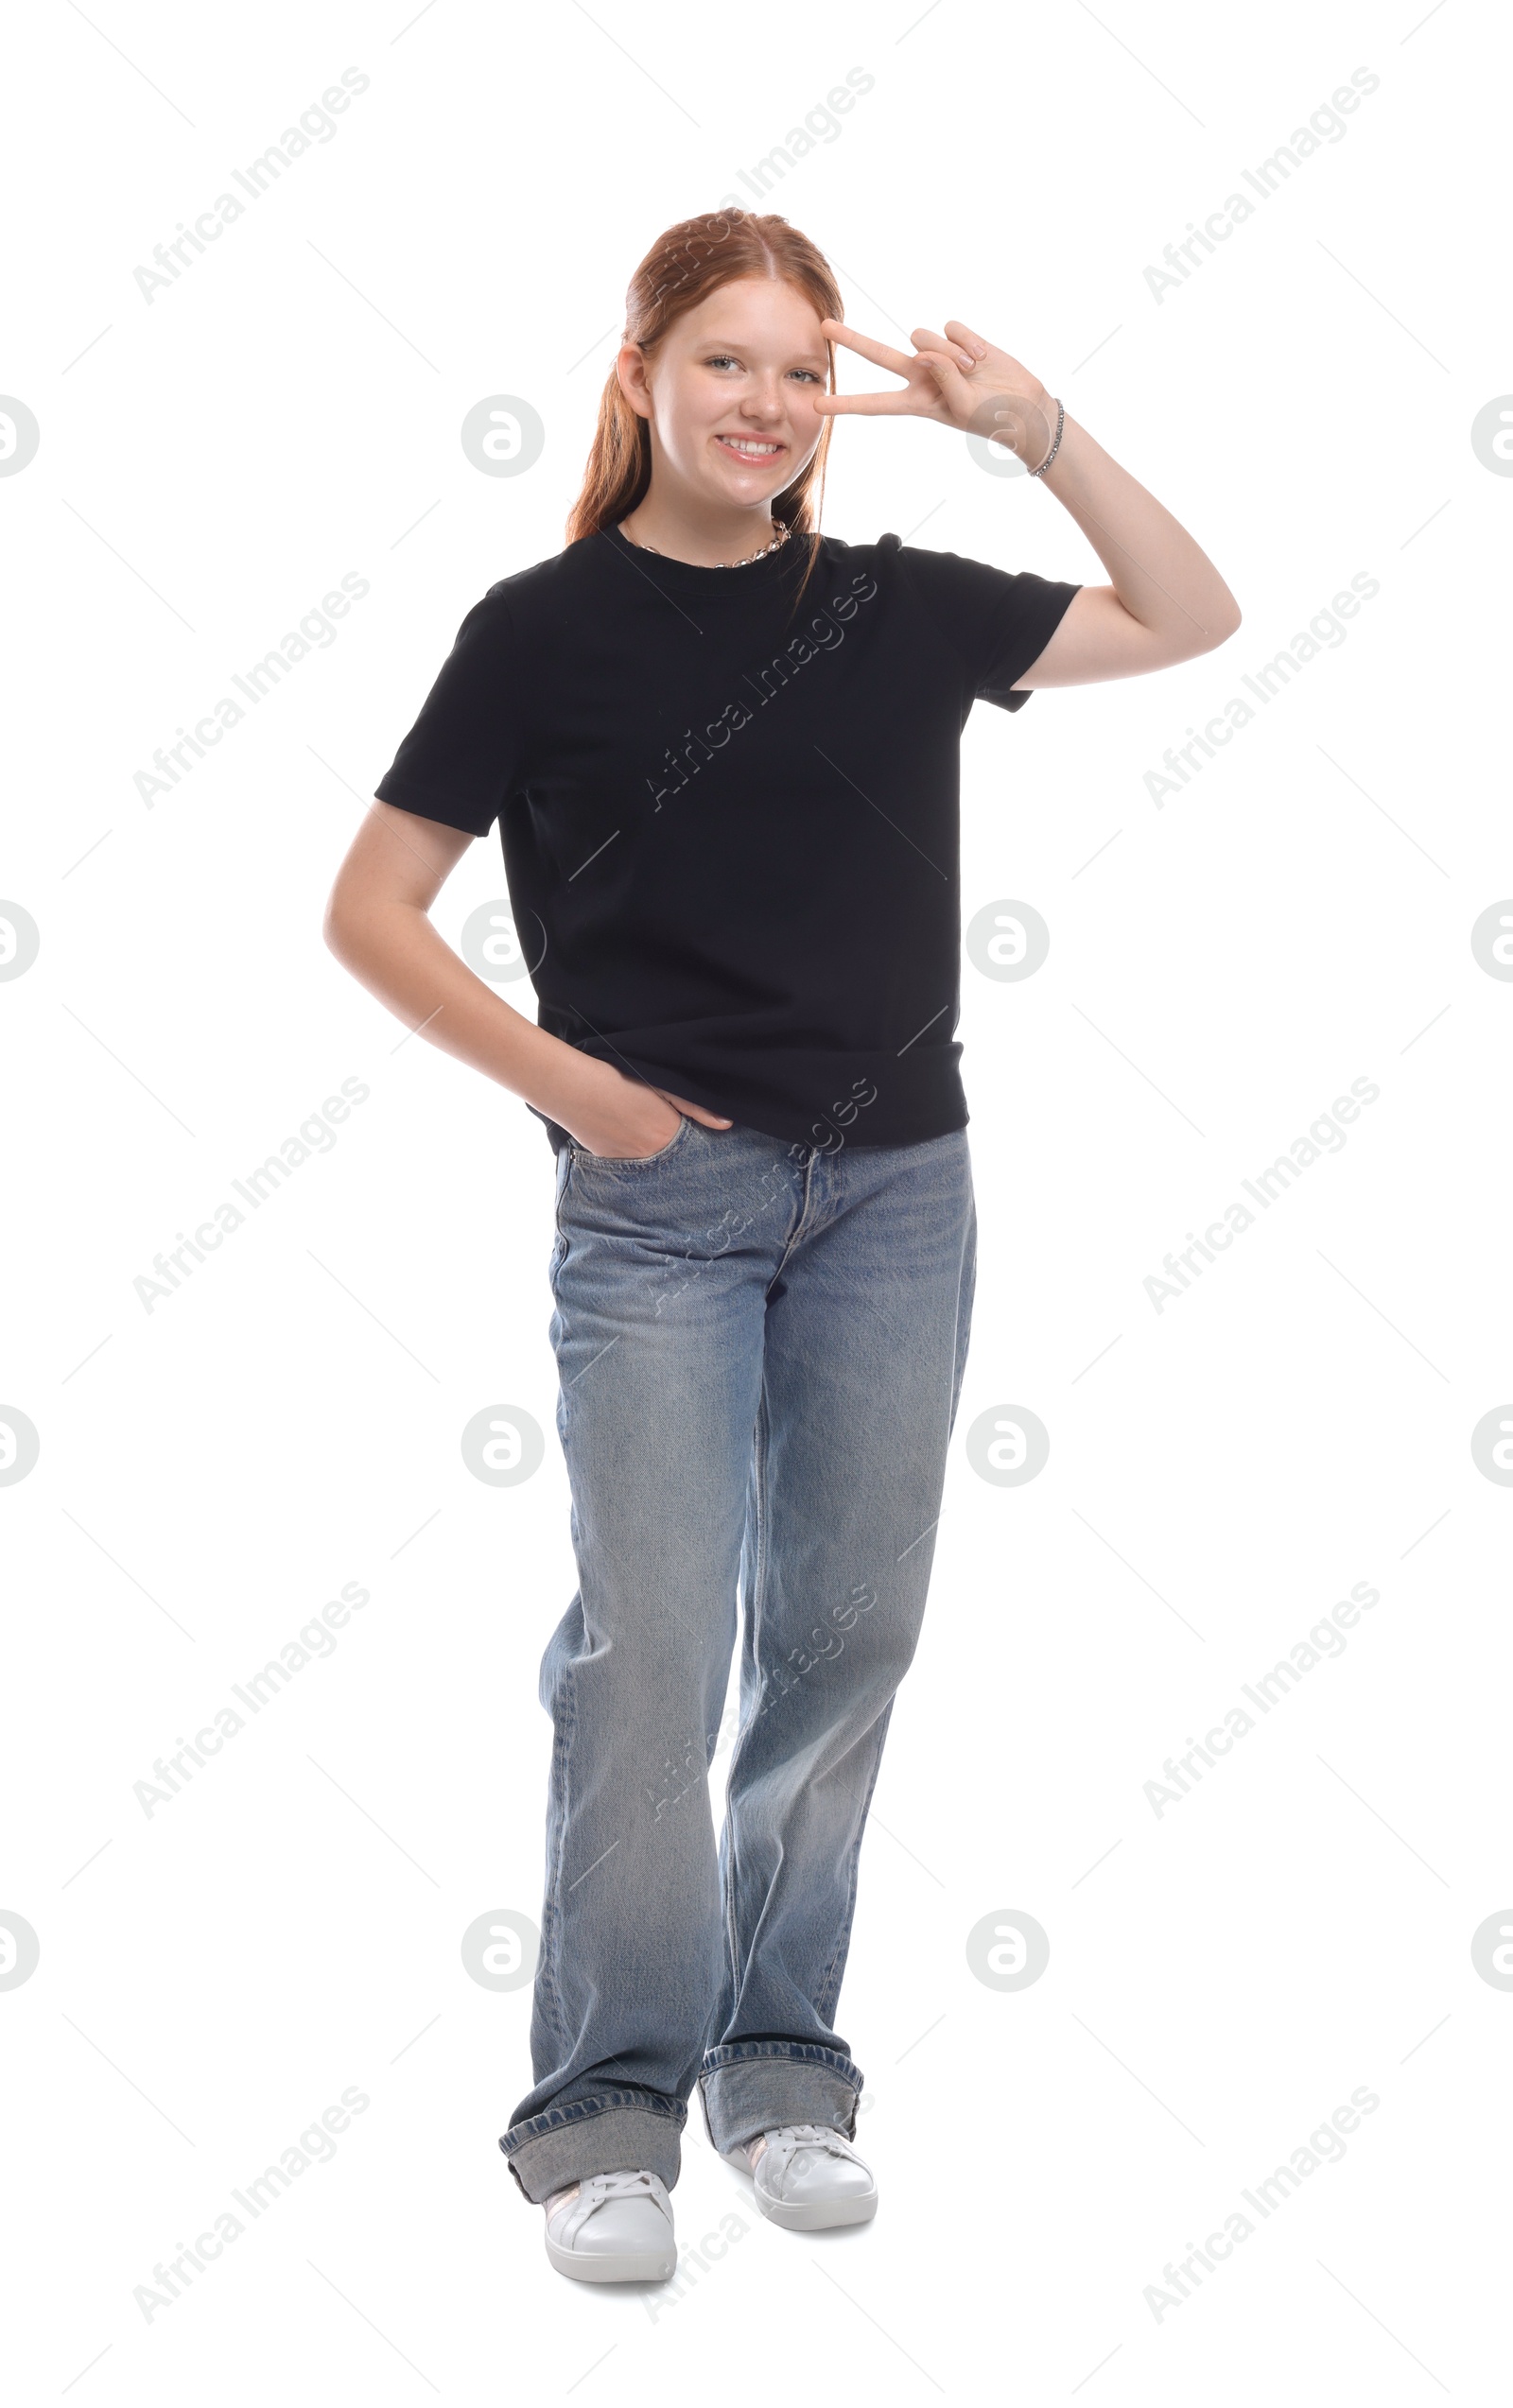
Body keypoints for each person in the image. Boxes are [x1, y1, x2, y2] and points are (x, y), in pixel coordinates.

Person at [322, 208, 1240, 2286]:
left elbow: (1188, 615)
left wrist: (1035, 428)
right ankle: (600, 2112)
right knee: (648, 1654)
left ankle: (779, 2068)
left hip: (898, 1197)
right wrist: (587, 1094)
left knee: (842, 1642)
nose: (766, 402)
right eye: (724, 361)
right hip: (658, 1208)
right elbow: (367, 912)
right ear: (640, 375)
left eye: (802, 369)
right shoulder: (538, 631)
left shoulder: (896, 607)